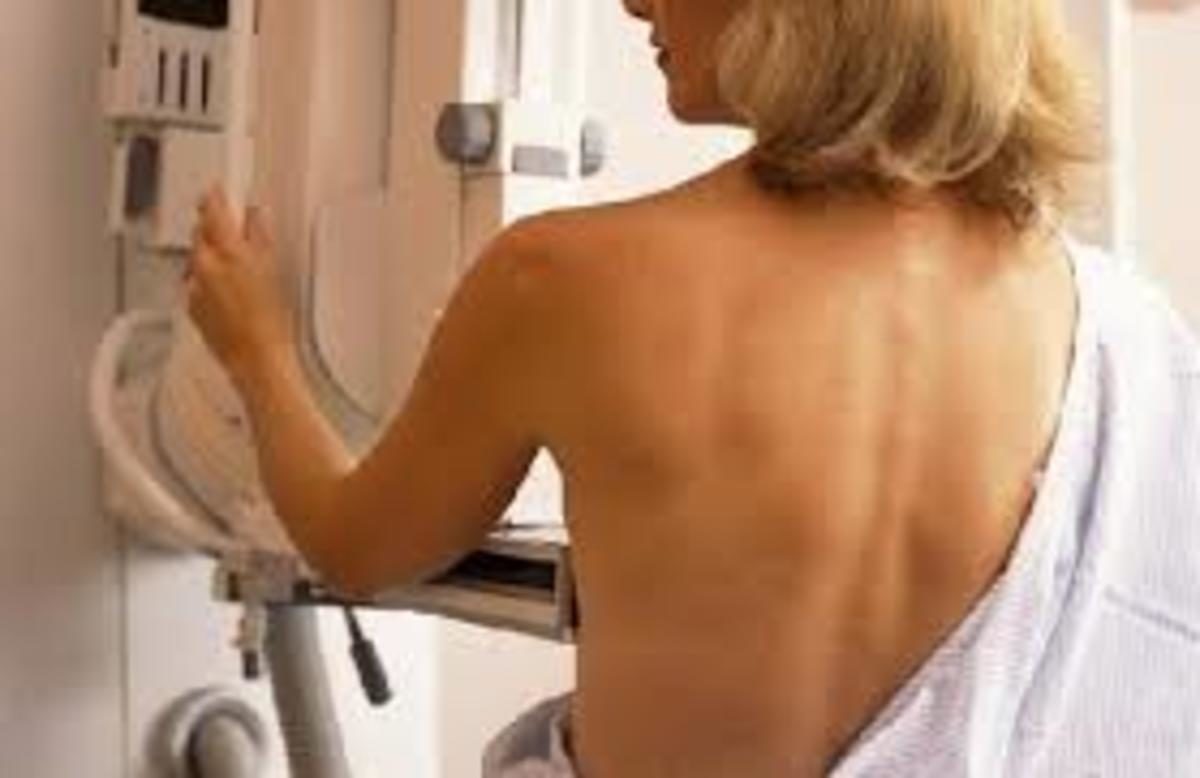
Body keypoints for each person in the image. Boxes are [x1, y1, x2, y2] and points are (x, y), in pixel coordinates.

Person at [188, 1, 1200, 776]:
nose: (633, 3)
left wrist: (257, 350)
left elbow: (357, 548)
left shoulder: (560, 279)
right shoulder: (1110, 328)